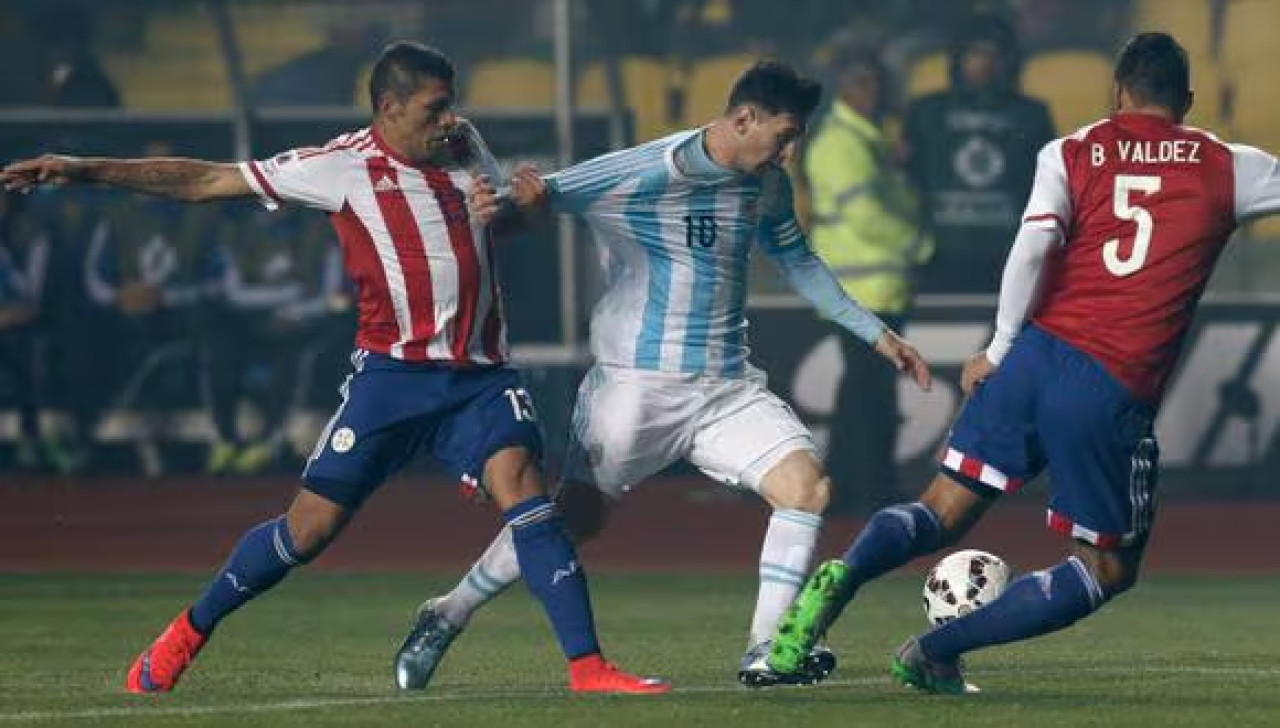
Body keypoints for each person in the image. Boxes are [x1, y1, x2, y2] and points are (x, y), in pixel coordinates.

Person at [1, 41, 668, 696]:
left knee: (528, 495)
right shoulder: (339, 167)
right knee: (306, 532)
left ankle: (588, 669)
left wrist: (522, 210)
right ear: (389, 107)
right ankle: (185, 633)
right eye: (434, 109)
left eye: (451, 107)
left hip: (479, 376)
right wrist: (83, 168)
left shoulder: (462, 145)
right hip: (392, 380)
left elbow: (496, 225)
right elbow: (208, 180)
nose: (449, 122)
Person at [392, 59, 932, 691]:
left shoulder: (765, 186)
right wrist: (509, 200)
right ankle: (448, 611)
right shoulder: (646, 171)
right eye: (783, 136)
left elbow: (799, 261)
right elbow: (527, 205)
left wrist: (877, 333)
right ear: (743, 118)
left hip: (727, 390)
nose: (788, 153)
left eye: (796, 140)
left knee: (806, 488)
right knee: (571, 525)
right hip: (636, 388)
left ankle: (767, 648)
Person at [766, 32, 1280, 694]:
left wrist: (1000, 347)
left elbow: (1033, 245)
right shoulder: (1229, 165)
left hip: (1033, 357)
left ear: (1117, 92)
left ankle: (843, 574)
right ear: (1185, 100)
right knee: (1106, 568)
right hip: (1107, 381)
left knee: (939, 509)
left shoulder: (1069, 150)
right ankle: (933, 651)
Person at [804, 46, 932, 513]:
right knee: (870, 395)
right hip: (860, 293)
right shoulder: (840, 144)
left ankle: (843, 488)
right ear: (842, 86)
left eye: (875, 82)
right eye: (861, 82)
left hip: (873, 289)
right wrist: (919, 245)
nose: (871, 91)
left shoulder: (865, 140)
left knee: (863, 391)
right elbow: (867, 217)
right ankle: (870, 489)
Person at [903, 12, 1055, 294]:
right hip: (939, 255)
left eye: (995, 55)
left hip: (1007, 257)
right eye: (976, 54)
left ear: (1010, 61)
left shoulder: (1031, 115)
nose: (985, 64)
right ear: (957, 59)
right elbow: (908, 179)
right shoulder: (926, 112)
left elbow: (1048, 186)